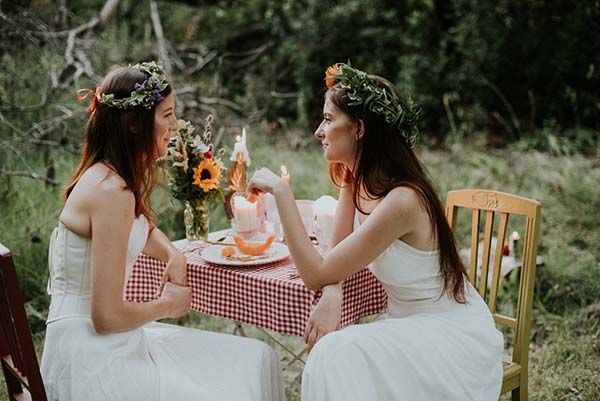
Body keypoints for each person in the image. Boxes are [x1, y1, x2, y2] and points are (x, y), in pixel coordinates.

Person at [248, 63, 504, 401]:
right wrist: (333, 293)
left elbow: (316, 272)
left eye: (327, 119)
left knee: (335, 353)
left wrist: (281, 193)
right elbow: (333, 261)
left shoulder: (402, 201)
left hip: (448, 336)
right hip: (403, 327)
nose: (318, 132)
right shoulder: (354, 181)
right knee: (338, 355)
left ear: (359, 129)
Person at [41, 61, 283, 401]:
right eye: (167, 115)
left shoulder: (109, 175)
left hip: (111, 341)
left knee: (257, 356)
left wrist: (172, 253)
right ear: (135, 126)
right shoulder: (110, 192)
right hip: (91, 360)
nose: (174, 125)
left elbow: (142, 226)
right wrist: (166, 305)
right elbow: (106, 318)